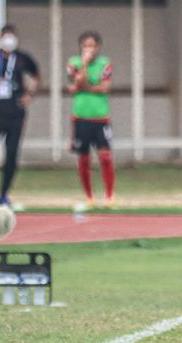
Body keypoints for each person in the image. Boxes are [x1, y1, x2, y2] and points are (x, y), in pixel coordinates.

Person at [66, 30, 115, 209]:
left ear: (98, 47)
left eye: (92, 46)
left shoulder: (105, 63)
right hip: (81, 116)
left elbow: (105, 87)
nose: (89, 49)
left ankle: (110, 197)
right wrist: (84, 66)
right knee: (84, 158)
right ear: (81, 47)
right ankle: (89, 197)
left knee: (105, 156)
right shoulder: (74, 62)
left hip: (101, 117)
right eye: (86, 46)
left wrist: (84, 86)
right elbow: (77, 83)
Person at [0, 24, 40, 208]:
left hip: (15, 114)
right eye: (5, 36)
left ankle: (4, 194)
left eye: (11, 36)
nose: (8, 40)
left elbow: (36, 75)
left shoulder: (22, 58)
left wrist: (29, 94)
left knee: (11, 153)